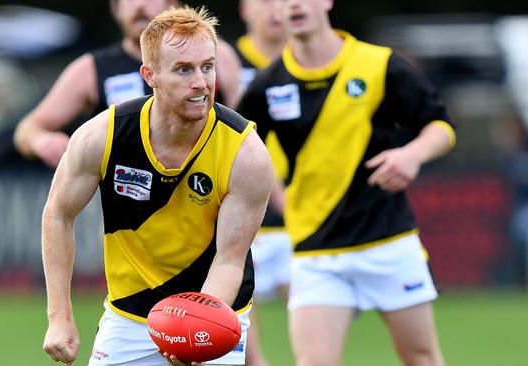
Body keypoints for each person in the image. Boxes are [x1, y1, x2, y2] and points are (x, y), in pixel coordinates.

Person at [40, 6, 273, 366]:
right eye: (183, 69)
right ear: (150, 75)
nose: (201, 81)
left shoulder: (246, 153)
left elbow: (229, 260)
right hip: (129, 317)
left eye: (207, 67)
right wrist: (59, 318)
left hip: (215, 311)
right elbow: (58, 215)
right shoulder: (103, 136)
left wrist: (197, 331)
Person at [236, 0, 456, 365]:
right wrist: (264, 204)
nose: (294, 4)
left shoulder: (378, 64)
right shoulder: (269, 84)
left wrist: (411, 155)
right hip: (317, 251)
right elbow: (239, 150)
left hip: (389, 241)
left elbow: (441, 125)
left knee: (421, 357)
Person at [13, 0, 242, 168]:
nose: (139, 6)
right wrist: (41, 140)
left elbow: (244, 132)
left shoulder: (217, 55)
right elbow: (28, 129)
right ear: (115, 8)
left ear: (172, 4)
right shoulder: (91, 69)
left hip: (210, 211)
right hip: (127, 222)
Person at [233, 1, 289, 365]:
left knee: (318, 327)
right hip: (239, 213)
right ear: (244, 8)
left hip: (300, 216)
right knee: (238, 338)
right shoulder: (222, 61)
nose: (274, 9)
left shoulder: (313, 62)